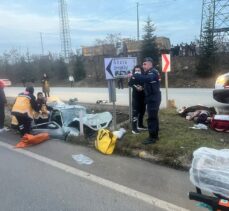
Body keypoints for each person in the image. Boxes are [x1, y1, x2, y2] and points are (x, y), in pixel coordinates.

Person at [132, 57, 161, 144]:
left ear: (150, 64)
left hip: (153, 98)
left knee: (151, 118)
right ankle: (155, 135)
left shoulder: (153, 72)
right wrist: (143, 87)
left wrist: (135, 74)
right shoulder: (149, 72)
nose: (143, 66)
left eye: (144, 64)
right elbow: (150, 83)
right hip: (153, 97)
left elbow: (148, 79)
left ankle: (152, 138)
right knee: (154, 117)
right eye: (143, 64)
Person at [128, 65, 147, 134]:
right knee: (135, 113)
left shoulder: (144, 76)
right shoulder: (133, 77)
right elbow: (129, 84)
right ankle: (134, 128)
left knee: (142, 112)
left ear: (141, 71)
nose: (137, 72)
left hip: (143, 97)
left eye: (139, 70)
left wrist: (143, 88)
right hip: (136, 98)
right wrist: (136, 87)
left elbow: (146, 84)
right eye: (136, 70)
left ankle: (140, 125)